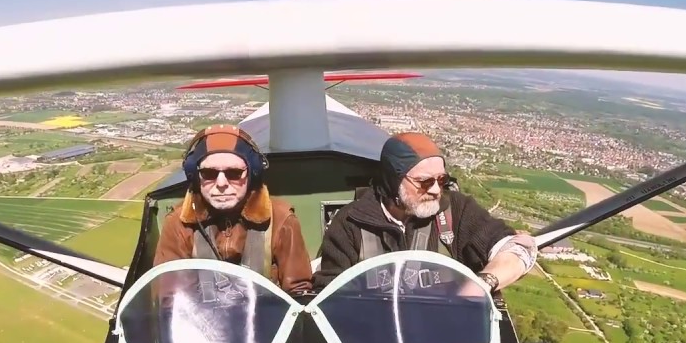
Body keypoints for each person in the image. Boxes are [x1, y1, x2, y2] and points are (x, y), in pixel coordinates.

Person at [313, 131, 538, 295]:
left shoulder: (456, 211)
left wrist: (481, 284)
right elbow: (329, 296)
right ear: (393, 181)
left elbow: (518, 249)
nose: (436, 190)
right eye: (425, 182)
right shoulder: (350, 223)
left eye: (442, 180)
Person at [153, 124, 314, 294]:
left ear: (252, 173)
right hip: (199, 312)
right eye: (209, 173)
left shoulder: (281, 220)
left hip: (266, 311)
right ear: (195, 176)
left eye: (234, 173)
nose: (221, 183)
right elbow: (171, 298)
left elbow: (298, 293)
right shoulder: (178, 223)